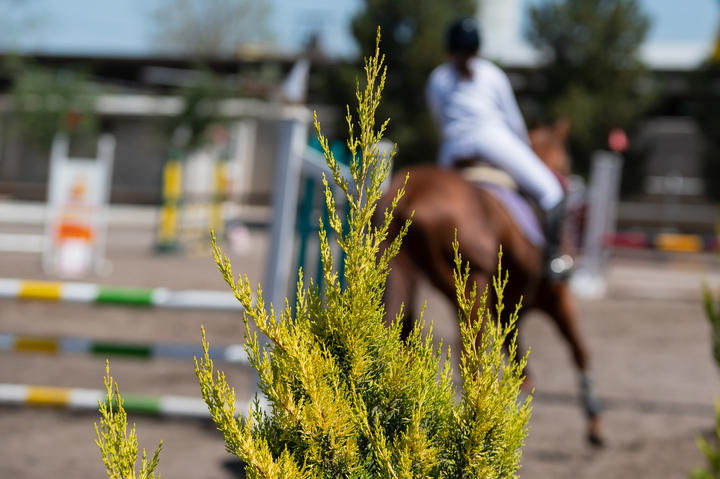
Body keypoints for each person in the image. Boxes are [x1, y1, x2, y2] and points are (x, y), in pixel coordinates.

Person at [426, 16, 572, 279]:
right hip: (492, 141)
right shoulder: (491, 73)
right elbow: (513, 120)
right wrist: (525, 149)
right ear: (477, 48)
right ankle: (553, 259)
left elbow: (437, 119)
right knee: (551, 192)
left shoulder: (437, 77)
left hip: (452, 150)